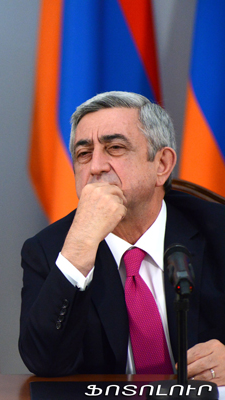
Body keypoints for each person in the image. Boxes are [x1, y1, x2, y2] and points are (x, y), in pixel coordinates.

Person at [19, 91, 225, 384]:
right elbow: (44, 361)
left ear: (162, 164)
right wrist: (80, 249)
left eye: (115, 148)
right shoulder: (50, 250)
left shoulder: (217, 230)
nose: (96, 167)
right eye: (83, 154)